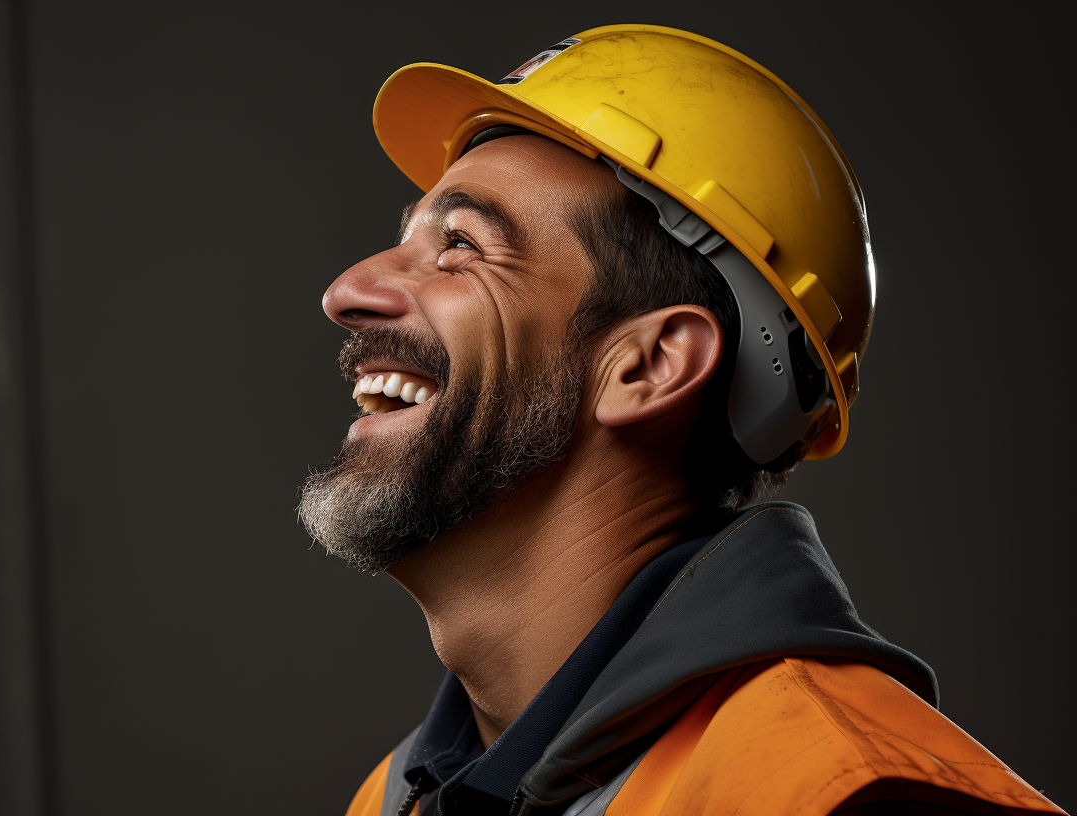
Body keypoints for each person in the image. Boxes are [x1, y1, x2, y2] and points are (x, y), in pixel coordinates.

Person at [297, 25, 1064, 816]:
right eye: (404, 240)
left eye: (461, 245)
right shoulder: (399, 800)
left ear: (650, 365)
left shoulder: (852, 796)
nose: (347, 291)